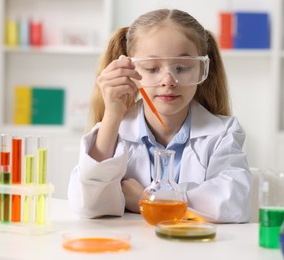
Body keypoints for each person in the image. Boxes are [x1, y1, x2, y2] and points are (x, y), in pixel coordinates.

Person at [68, 8, 252, 223]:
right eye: (152, 68)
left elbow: (234, 202)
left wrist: (148, 198)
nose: (168, 80)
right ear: (131, 70)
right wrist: (112, 114)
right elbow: (87, 204)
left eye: (182, 67)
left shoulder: (223, 132)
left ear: (203, 69)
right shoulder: (115, 130)